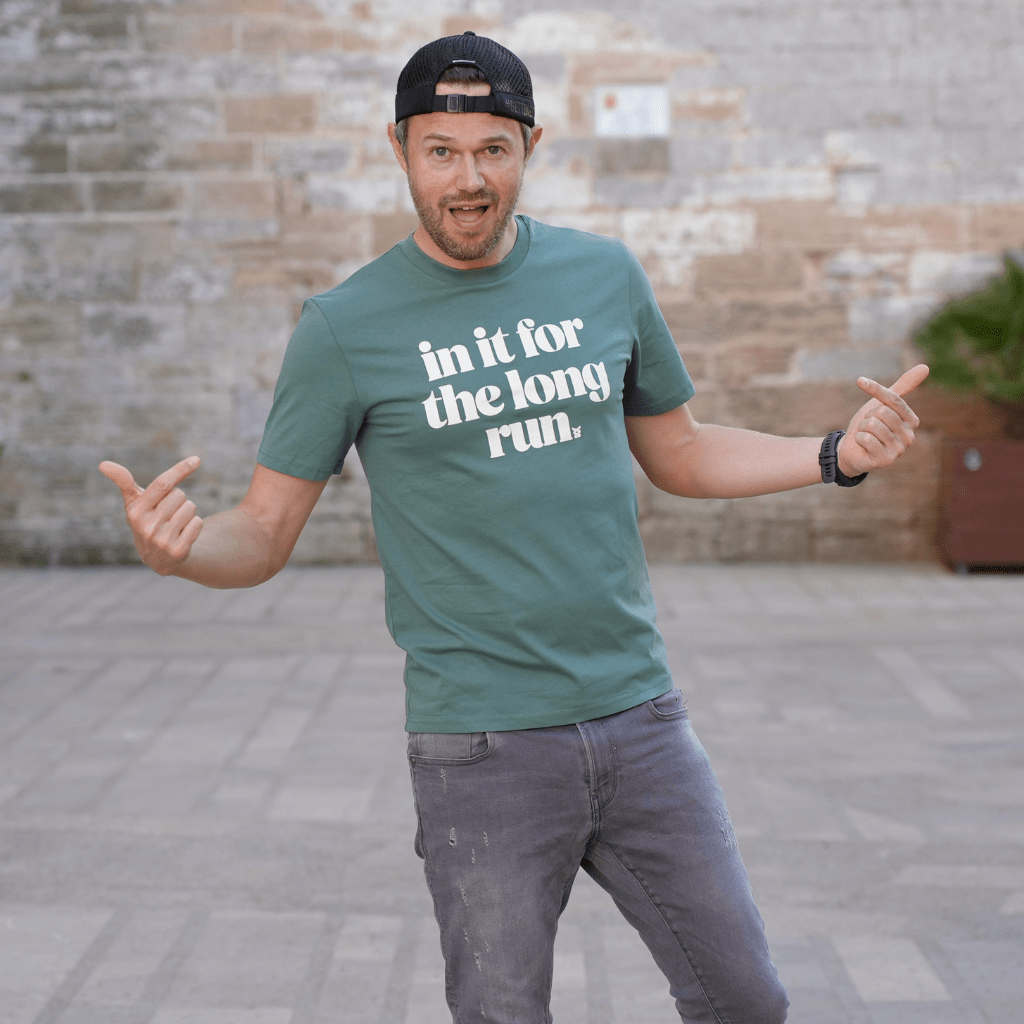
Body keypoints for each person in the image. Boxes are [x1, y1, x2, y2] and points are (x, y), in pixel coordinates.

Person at [100, 32, 928, 1024]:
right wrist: (184, 553)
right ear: (401, 148)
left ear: (530, 145)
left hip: (641, 721)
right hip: (480, 748)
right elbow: (264, 530)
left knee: (745, 999)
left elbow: (682, 451)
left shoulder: (604, 277)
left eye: (491, 148)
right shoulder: (344, 327)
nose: (467, 177)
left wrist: (835, 451)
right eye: (441, 150)